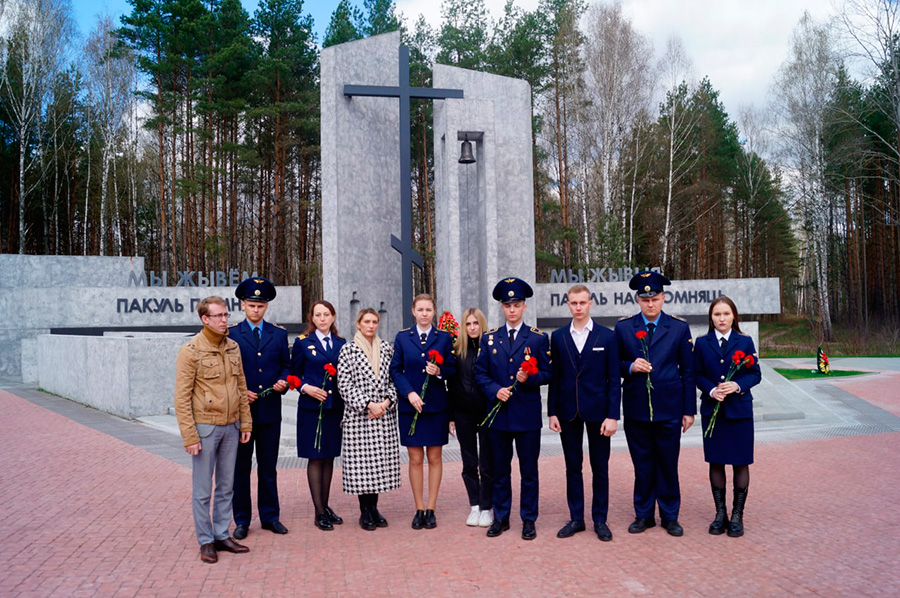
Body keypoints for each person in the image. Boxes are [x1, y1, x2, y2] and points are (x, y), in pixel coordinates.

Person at [614, 271, 696, 537]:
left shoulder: (679, 327)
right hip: (638, 408)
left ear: (663, 298)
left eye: (655, 298)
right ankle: (644, 514)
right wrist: (629, 366)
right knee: (642, 464)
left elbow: (688, 370)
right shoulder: (624, 327)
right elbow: (612, 365)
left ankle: (670, 515)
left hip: (670, 407)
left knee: (668, 463)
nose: (650, 303)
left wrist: (688, 410)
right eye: (645, 298)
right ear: (638, 299)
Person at [174, 296, 252, 564]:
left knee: (227, 487)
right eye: (218, 316)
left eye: (226, 315)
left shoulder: (233, 347)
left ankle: (221, 534)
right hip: (205, 428)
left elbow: (241, 388)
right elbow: (182, 397)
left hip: (231, 427)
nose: (224, 320)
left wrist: (245, 422)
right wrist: (190, 435)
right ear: (204, 319)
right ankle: (205, 540)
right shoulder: (191, 351)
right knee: (203, 489)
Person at [474, 277, 552, 540]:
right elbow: (479, 372)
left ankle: (528, 519)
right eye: (507, 305)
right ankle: (502, 517)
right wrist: (494, 390)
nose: (512, 310)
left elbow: (549, 373)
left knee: (529, 470)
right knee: (500, 470)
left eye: (516, 305)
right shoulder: (489, 338)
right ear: (502, 308)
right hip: (498, 415)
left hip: (527, 415)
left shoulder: (538, 339)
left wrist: (530, 378)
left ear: (524, 307)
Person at [548, 284, 621, 542]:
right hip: (567, 412)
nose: (578, 307)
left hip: (599, 413)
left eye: (582, 303)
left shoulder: (607, 337)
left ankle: (599, 519)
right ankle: (576, 518)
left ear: (591, 303)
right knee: (572, 467)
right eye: (573, 303)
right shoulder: (557, 337)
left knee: (600, 467)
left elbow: (614, 379)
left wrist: (613, 415)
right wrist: (552, 412)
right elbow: (555, 378)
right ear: (568, 305)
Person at [229, 277, 291, 540]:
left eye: (261, 306)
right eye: (252, 305)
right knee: (240, 469)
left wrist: (283, 381)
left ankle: (270, 517)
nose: (256, 310)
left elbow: (286, 366)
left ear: (267, 307)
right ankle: (242, 519)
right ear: (243, 305)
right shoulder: (231, 334)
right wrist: (241, 393)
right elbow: (226, 372)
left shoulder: (278, 334)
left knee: (268, 468)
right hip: (242, 414)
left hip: (269, 412)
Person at [695, 296, 761, 537]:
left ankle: (737, 515)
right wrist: (711, 390)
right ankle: (720, 513)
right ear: (711, 318)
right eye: (716, 314)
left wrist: (738, 385)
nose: (721, 318)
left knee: (740, 462)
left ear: (734, 316)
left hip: (739, 412)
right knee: (716, 461)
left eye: (726, 314)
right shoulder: (702, 343)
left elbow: (755, 374)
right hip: (713, 411)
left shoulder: (744, 341)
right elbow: (696, 374)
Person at [390, 294, 457, 530]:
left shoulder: (444, 338)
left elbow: (452, 368)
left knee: (435, 458)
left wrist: (439, 370)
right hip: (411, 405)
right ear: (413, 311)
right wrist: (409, 393)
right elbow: (395, 370)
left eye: (429, 309)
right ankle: (418, 508)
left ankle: (431, 508)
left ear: (434, 312)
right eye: (420, 309)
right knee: (415, 459)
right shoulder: (402, 338)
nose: (425, 313)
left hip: (437, 406)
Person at [337, 308, 401, 530]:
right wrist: (368, 404)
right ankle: (364, 511)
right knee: (362, 467)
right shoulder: (348, 350)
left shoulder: (386, 348)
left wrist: (385, 403)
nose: (371, 325)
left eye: (375, 322)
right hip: (359, 417)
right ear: (358, 324)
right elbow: (344, 384)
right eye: (367, 321)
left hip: (383, 415)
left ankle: (374, 508)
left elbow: (395, 379)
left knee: (378, 467)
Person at [291, 300, 346, 531]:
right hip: (312, 408)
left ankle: (325, 506)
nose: (322, 318)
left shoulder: (342, 343)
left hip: (334, 408)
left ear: (333, 317)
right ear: (312, 318)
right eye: (318, 315)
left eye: (326, 314)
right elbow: (292, 374)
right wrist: (306, 387)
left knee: (329, 457)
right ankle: (318, 512)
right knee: (315, 457)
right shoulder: (303, 343)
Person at [448, 307, 494, 528]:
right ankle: (474, 505)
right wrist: (451, 416)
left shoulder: (491, 350)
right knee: (469, 462)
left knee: (486, 463)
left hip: (486, 412)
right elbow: (450, 385)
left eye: (476, 323)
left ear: (482, 325)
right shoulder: (457, 352)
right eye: (468, 324)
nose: (473, 327)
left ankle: (487, 507)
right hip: (463, 412)